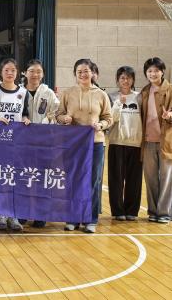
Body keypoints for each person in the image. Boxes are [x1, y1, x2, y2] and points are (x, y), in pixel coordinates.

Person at [57, 59, 112, 233]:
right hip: (73, 143)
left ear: (93, 73)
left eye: (86, 71)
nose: (83, 74)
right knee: (73, 180)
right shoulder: (68, 93)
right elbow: (58, 114)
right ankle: (72, 218)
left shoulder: (101, 94)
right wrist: (64, 119)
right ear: (75, 74)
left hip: (95, 143)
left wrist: (100, 125)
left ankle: (91, 219)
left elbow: (108, 118)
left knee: (93, 181)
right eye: (79, 71)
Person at [21, 59, 59, 228]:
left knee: (42, 178)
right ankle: (22, 212)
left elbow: (55, 113)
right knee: (23, 177)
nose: (35, 74)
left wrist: (47, 121)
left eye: (38, 71)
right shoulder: (19, 91)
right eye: (31, 71)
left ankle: (40, 214)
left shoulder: (48, 93)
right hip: (22, 143)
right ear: (25, 73)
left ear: (43, 74)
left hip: (43, 142)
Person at [0, 58, 30, 231]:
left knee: (14, 177)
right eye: (6, 70)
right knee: (1, 176)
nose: (9, 73)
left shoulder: (23, 92)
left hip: (17, 141)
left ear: (17, 72)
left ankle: (13, 214)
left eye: (13, 70)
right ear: (1, 72)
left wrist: (26, 119)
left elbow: (25, 113)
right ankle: (0, 213)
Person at [107, 66, 143, 221]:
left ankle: (132, 211)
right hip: (117, 142)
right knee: (116, 179)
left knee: (134, 180)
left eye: (128, 77)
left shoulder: (140, 97)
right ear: (117, 80)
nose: (125, 80)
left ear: (133, 80)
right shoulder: (111, 96)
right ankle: (118, 211)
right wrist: (118, 104)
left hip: (136, 143)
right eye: (122, 78)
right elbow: (111, 119)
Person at [139, 57, 172, 224]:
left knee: (167, 178)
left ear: (162, 71)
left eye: (156, 70)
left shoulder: (170, 89)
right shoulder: (144, 91)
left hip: (167, 141)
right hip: (148, 141)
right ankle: (152, 211)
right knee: (150, 178)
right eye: (149, 71)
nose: (153, 74)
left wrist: (170, 115)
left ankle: (164, 212)